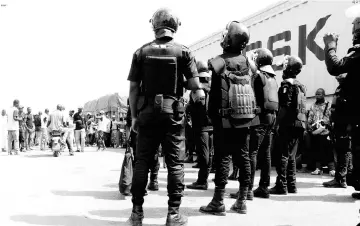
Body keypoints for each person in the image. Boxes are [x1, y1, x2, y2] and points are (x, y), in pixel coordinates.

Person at [127, 8, 201, 226]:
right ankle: (173, 214)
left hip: (146, 114)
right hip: (173, 115)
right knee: (175, 164)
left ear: (155, 26)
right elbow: (195, 85)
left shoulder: (141, 52)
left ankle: (137, 213)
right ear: (174, 26)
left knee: (142, 162)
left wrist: (133, 117)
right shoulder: (184, 52)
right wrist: (182, 83)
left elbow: (133, 88)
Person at [199, 21, 259, 216]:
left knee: (223, 157)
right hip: (244, 118)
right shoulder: (249, 63)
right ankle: (242, 200)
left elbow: (208, 78)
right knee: (243, 156)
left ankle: (218, 201)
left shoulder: (218, 61)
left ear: (230, 38)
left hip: (223, 119)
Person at [230, 48, 278, 199]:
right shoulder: (272, 78)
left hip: (259, 119)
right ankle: (263, 187)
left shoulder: (258, 77)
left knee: (252, 152)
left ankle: (248, 189)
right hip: (271, 118)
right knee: (266, 153)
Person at [322, 11, 360, 196]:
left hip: (351, 120)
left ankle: (342, 177)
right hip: (346, 122)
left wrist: (330, 46)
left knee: (351, 151)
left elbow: (335, 66)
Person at [270, 55, 306, 195]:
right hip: (299, 124)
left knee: (282, 155)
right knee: (291, 156)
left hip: (288, 124)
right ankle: (291, 185)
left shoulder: (286, 85)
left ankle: (281, 185)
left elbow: (284, 108)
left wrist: (276, 124)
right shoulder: (300, 85)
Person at [186, 60, 213, 190]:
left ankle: (202, 181)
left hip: (201, 126)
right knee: (210, 154)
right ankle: (204, 179)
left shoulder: (198, 88)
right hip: (212, 125)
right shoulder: (211, 85)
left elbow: (200, 106)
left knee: (203, 156)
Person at [307, 88, 335, 176]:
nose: (317, 96)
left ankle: (332, 169)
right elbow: (310, 117)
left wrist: (325, 123)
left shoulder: (328, 105)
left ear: (323, 95)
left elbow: (330, 117)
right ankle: (318, 168)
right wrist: (309, 125)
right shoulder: (313, 106)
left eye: (319, 94)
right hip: (316, 132)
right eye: (316, 94)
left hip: (325, 131)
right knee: (316, 150)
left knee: (328, 150)